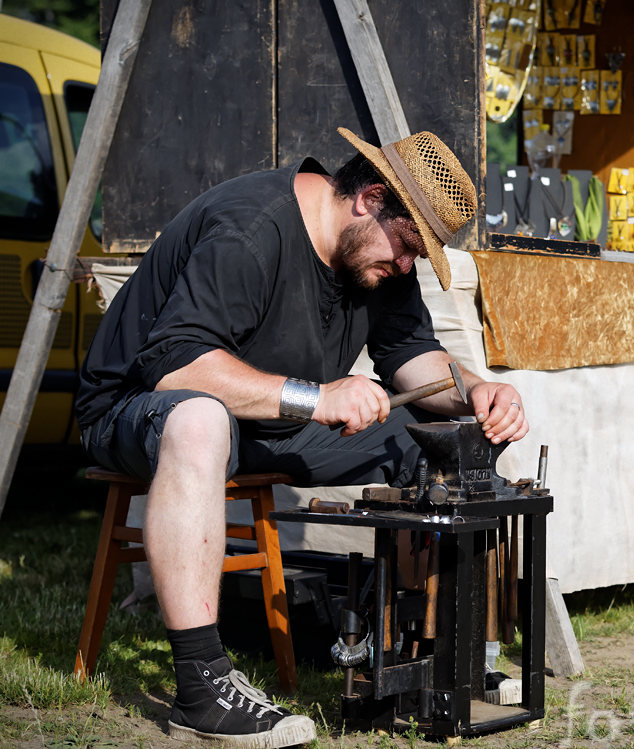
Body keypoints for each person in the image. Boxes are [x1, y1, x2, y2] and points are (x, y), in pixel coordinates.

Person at [74, 127, 529, 748]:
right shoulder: (250, 230)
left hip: (265, 423)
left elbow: (412, 355)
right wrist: (316, 397)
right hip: (138, 408)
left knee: (442, 438)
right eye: (408, 247)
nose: (406, 265)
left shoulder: (373, 253)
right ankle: (202, 689)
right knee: (200, 419)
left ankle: (427, 654)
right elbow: (176, 367)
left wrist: (474, 389)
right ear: (370, 198)